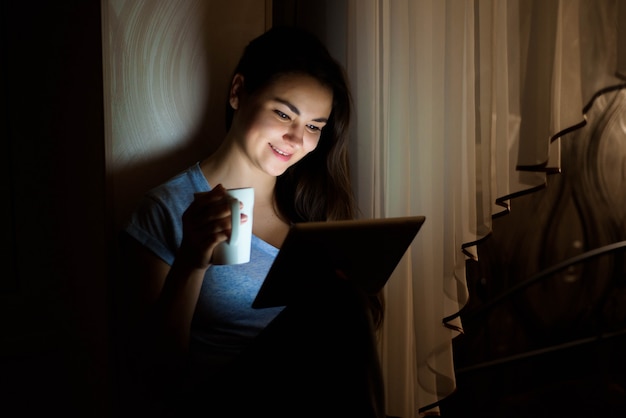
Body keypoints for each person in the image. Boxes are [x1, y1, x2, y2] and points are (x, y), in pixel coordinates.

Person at [120, 25, 386, 417]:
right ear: (238, 92)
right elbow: (153, 374)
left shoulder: (311, 211)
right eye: (283, 113)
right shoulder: (166, 207)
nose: (296, 139)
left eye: (314, 126)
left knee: (344, 302)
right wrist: (192, 262)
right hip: (217, 399)